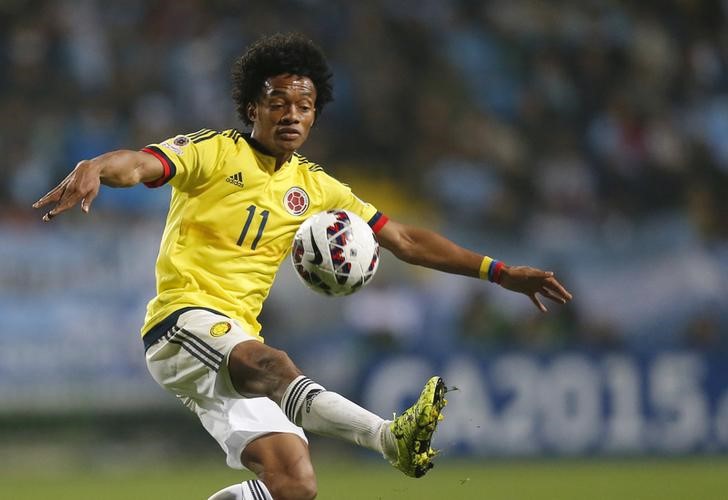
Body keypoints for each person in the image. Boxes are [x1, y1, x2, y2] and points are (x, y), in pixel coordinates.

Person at [33, 33, 572, 500]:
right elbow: (141, 163)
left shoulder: (317, 188)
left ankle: (386, 442)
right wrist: (98, 166)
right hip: (182, 324)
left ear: (315, 114)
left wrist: (499, 272)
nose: (291, 114)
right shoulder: (214, 151)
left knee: (293, 485)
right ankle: (390, 439)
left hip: (236, 338)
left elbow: (405, 239)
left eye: (304, 106)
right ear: (252, 108)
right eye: (278, 102)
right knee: (273, 364)